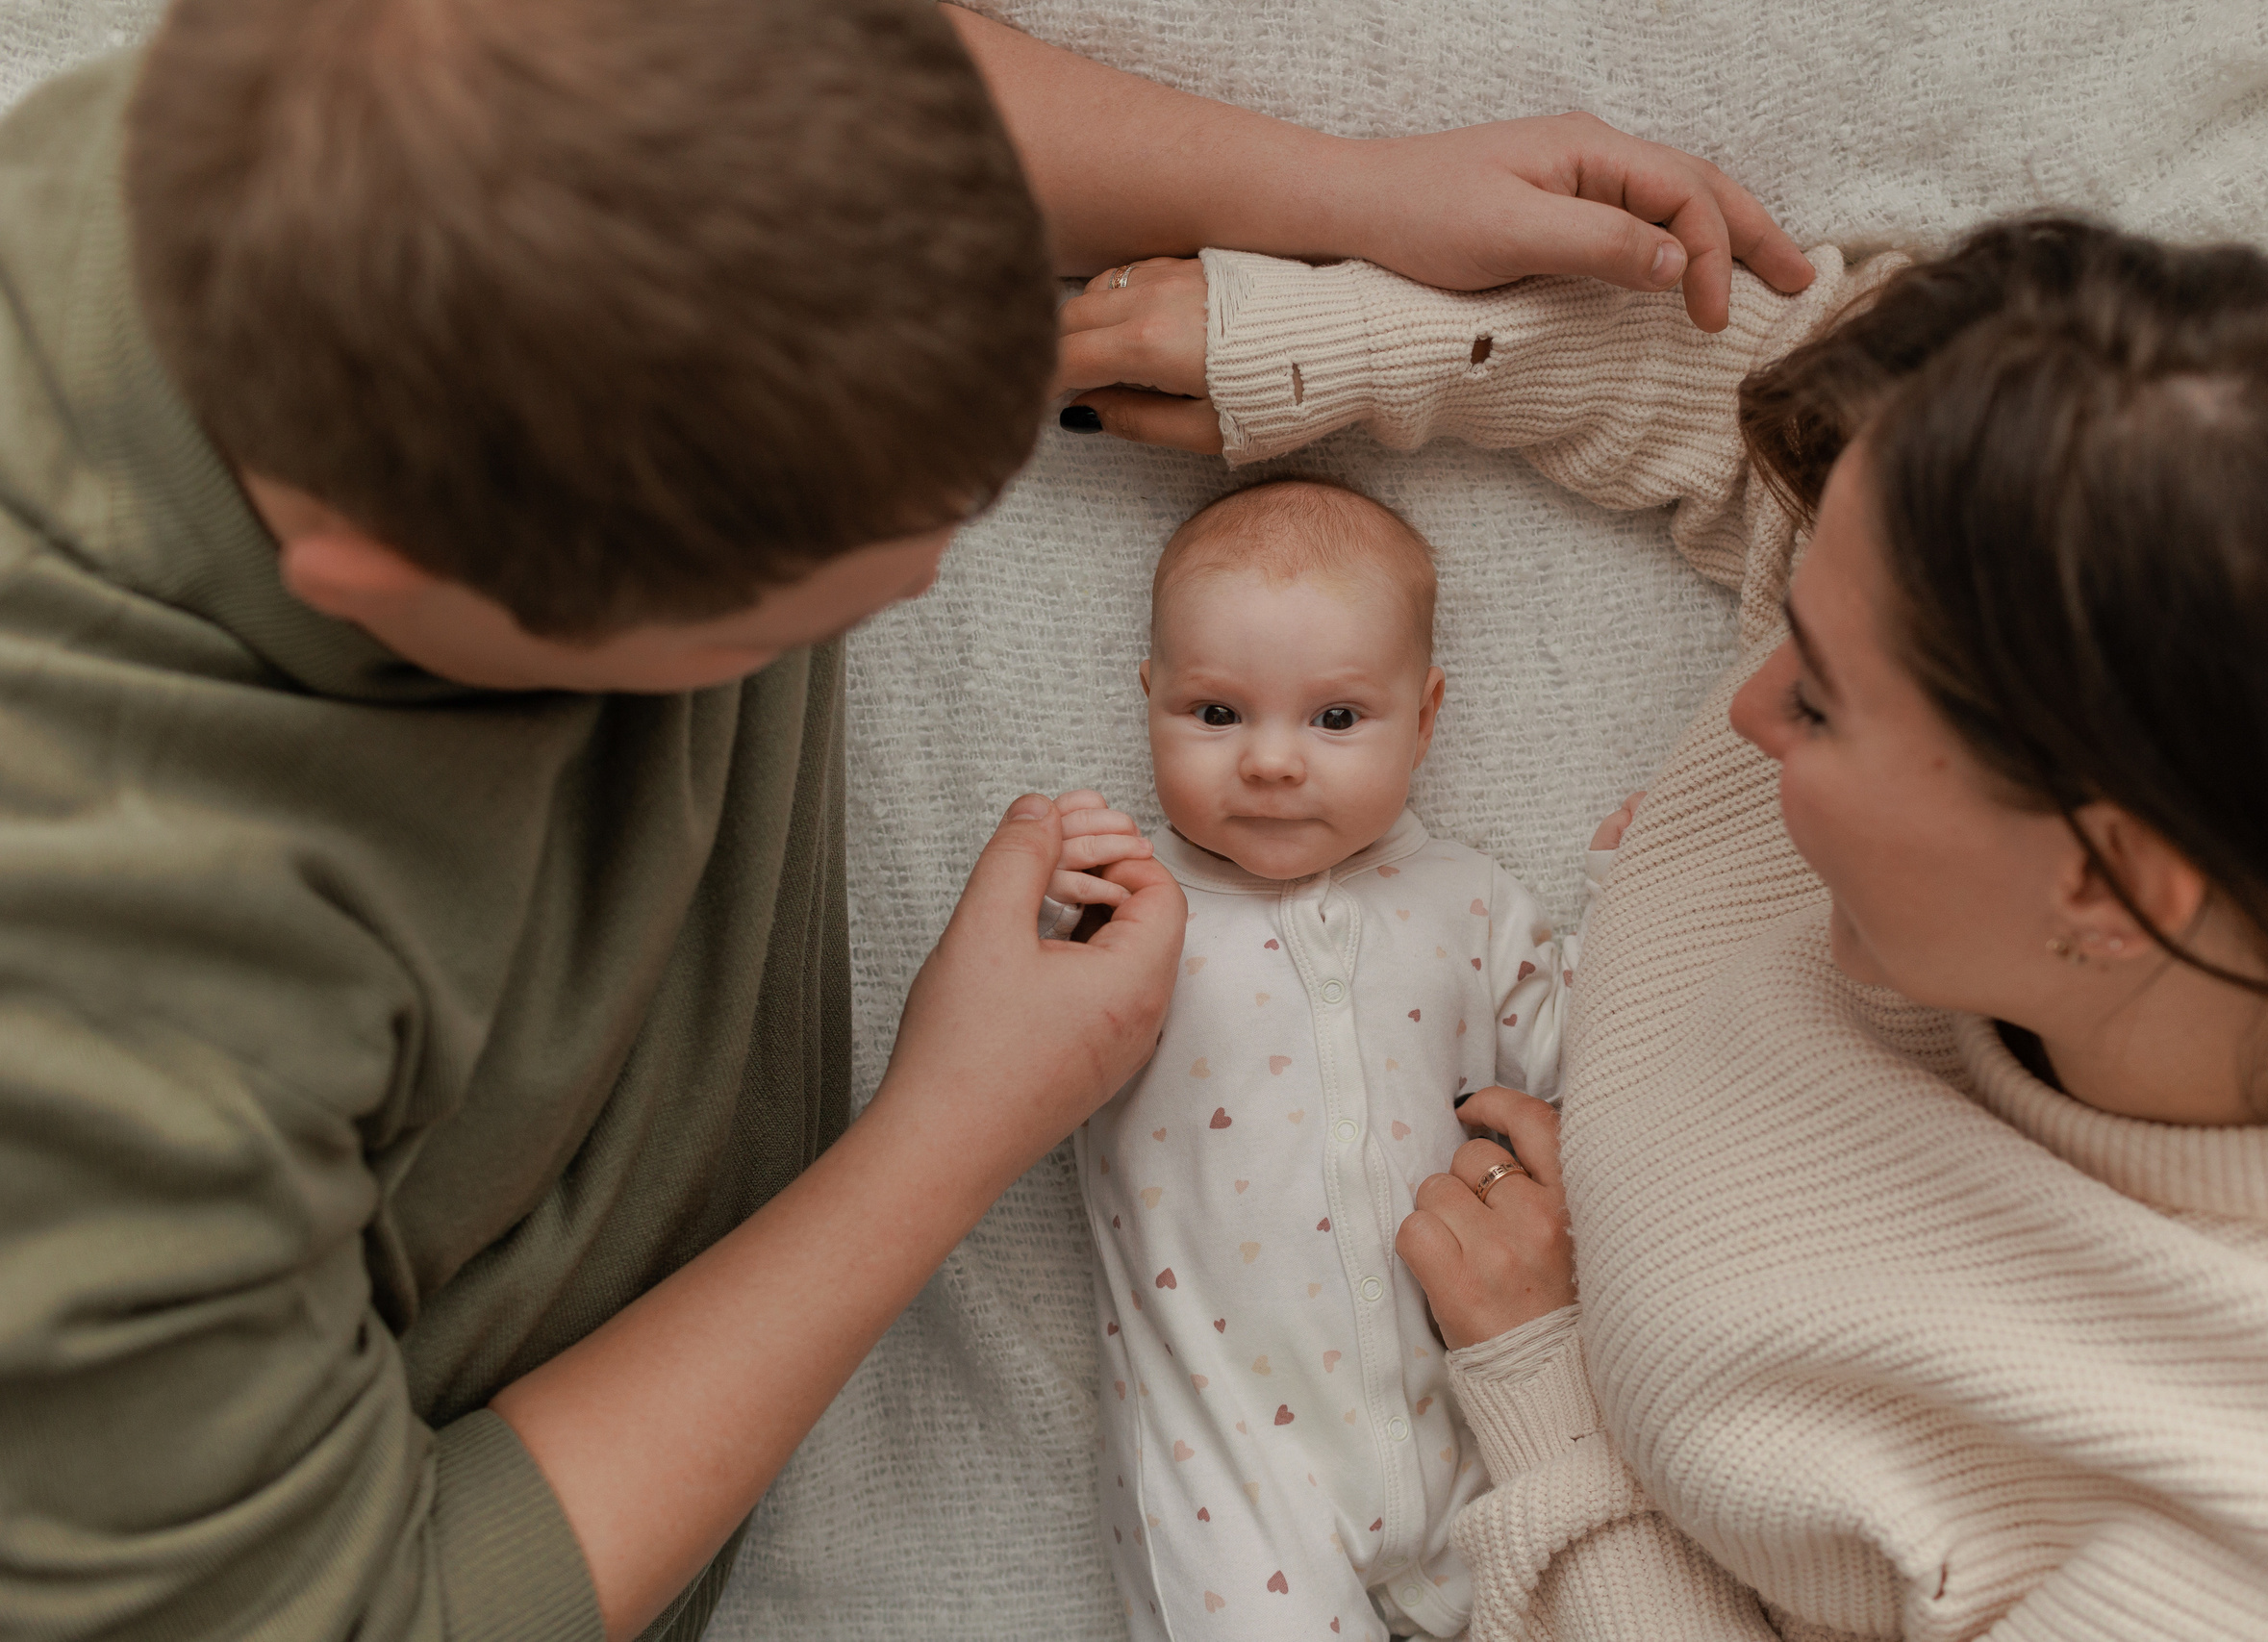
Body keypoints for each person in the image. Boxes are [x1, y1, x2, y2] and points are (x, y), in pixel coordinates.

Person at [0, 1, 1821, 1638]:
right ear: (372, 580)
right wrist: (941, 1136)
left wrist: (1344, 201)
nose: (941, 575)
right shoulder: (99, 1008)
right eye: (787, 609)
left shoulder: (414, 86)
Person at [1059, 218, 2268, 1638]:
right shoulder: (2056, 577)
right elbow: (1814, 389)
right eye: (1788, 615)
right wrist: (1356, 340)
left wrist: (1550, 1394)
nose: (1745, 704)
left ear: (2109, 881)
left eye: (1825, 698)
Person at [1038, 478, 1618, 1639]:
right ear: (1148, 700)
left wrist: (1629, 910)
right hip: (1233, 1458)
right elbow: (1019, 1050)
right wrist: (1052, 910)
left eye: (1335, 720)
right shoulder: (1135, 910)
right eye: (1214, 714)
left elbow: (1577, 1066)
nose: (1269, 763)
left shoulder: (1469, 901)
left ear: (1425, 716)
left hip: (1465, 1420)